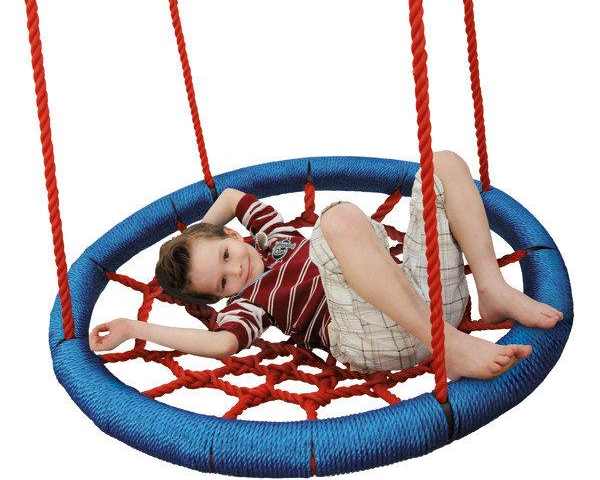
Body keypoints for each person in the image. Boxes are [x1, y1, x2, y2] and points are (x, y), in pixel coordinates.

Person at [88, 151, 563, 380]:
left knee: (441, 164)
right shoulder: (250, 303)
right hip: (370, 337)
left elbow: (231, 197)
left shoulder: (274, 238)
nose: (238, 272)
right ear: (222, 297)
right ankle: (449, 347)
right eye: (223, 282)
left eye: (228, 256)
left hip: (424, 297)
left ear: (233, 236)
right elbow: (220, 344)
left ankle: (492, 288)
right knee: (336, 221)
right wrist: (135, 327)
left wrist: (194, 235)